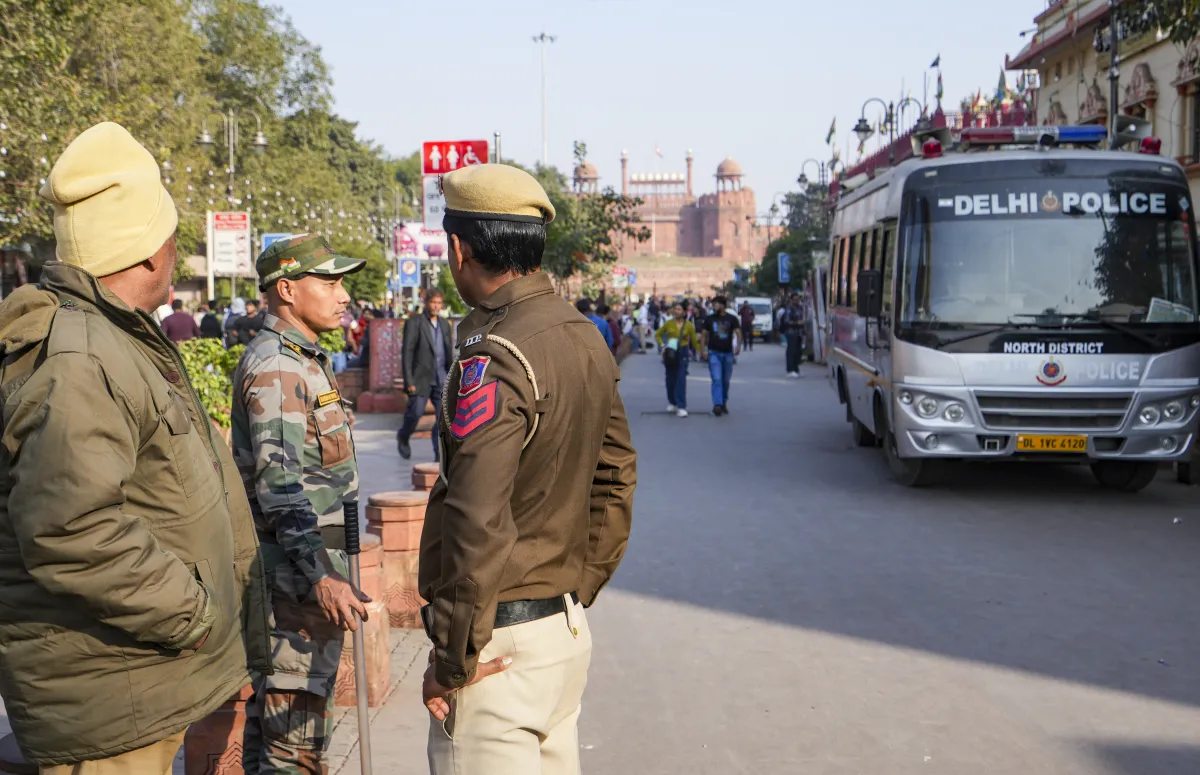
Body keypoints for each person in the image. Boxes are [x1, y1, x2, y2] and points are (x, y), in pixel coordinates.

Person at [0, 121, 270, 772]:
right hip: (109, 703)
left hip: (128, 685)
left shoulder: (111, 341)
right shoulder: (84, 357)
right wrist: (194, 614)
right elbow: (71, 529)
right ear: (151, 251)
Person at [419, 164, 637, 775]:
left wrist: (453, 659)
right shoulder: (583, 335)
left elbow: (476, 515)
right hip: (560, 633)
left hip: (497, 647)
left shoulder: (495, 353)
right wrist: (580, 584)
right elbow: (616, 475)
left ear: (459, 249)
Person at [231, 233, 371, 775]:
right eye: (329, 282)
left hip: (306, 576)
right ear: (287, 290)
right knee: (294, 746)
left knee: (281, 735)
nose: (343, 295)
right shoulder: (279, 366)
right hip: (295, 585)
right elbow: (280, 486)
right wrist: (321, 575)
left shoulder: (302, 359)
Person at [397, 289, 453, 461]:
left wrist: (452, 376)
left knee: (442, 419)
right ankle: (403, 436)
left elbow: (448, 351)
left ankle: (439, 455)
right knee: (415, 413)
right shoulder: (415, 322)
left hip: (441, 377)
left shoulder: (444, 324)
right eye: (433, 302)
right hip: (420, 378)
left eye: (439, 303)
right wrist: (409, 380)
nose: (436, 306)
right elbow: (407, 352)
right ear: (426, 303)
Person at [655, 302, 701, 417]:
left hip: (682, 352)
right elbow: (658, 334)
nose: (677, 311)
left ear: (684, 312)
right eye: (675, 309)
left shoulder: (688, 325)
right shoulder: (669, 323)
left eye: (679, 309)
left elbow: (694, 340)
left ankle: (681, 406)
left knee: (681, 378)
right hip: (670, 351)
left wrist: (699, 351)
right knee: (670, 378)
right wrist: (662, 346)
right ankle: (672, 402)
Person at [700, 295, 741, 416]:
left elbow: (738, 332)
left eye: (716, 304)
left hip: (728, 353)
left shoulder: (732, 319)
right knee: (716, 378)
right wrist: (703, 350)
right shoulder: (709, 319)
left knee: (725, 380)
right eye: (713, 305)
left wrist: (738, 346)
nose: (713, 307)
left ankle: (723, 402)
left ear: (723, 305)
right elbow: (703, 335)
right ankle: (717, 404)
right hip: (714, 352)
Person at [783, 293, 807, 377]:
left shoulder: (800, 308)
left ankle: (796, 369)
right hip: (791, 332)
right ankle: (790, 369)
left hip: (799, 333)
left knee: (798, 352)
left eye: (798, 299)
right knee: (791, 351)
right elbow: (787, 322)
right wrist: (797, 323)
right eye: (795, 299)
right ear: (791, 300)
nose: (797, 301)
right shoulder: (789, 309)